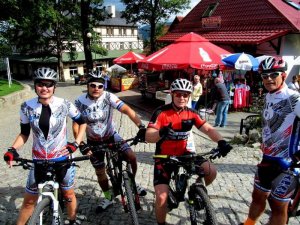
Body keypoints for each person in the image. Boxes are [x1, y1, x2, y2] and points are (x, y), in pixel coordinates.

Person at [139, 78, 232, 225]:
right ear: (172, 94)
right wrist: (161, 132)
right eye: (178, 94)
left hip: (185, 153)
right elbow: (148, 136)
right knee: (162, 198)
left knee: (211, 171)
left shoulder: (191, 113)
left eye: (185, 95)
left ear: (189, 96)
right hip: (164, 156)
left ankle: (197, 191)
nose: (182, 98)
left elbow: (207, 129)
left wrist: (221, 141)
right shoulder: (161, 112)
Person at [3, 67, 86, 225]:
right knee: (28, 202)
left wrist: (76, 143)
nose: (44, 88)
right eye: (40, 84)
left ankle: (72, 220)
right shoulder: (26, 107)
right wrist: (12, 150)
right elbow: (24, 133)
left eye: (49, 84)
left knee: (68, 195)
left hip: (62, 159)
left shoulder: (65, 104)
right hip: (39, 160)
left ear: (54, 86)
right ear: (35, 86)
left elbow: (82, 122)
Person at [73, 71, 147, 212]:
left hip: (111, 135)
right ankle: (108, 197)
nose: (96, 88)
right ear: (88, 86)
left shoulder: (108, 97)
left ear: (104, 87)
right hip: (93, 141)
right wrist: (81, 143)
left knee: (131, 157)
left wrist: (141, 126)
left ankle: (132, 183)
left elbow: (127, 110)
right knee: (100, 172)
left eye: (100, 86)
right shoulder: (79, 102)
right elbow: (76, 125)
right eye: (93, 85)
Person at [241, 56, 300, 225]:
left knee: (277, 206)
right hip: (267, 158)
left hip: (287, 163)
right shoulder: (268, 96)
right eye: (264, 76)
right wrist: (264, 140)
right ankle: (249, 224)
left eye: (274, 74)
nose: (268, 79)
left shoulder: (293, 98)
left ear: (284, 75)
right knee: (257, 196)